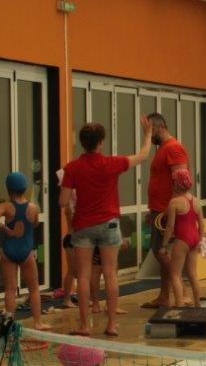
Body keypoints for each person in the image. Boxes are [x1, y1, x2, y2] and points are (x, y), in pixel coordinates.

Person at [58, 117, 152, 336]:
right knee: (110, 274)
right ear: (101, 142)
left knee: (82, 275)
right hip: (109, 225)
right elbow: (143, 156)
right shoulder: (111, 163)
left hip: (83, 226)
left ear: (83, 143)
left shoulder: (72, 168)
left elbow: (63, 202)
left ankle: (84, 325)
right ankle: (111, 324)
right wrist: (147, 135)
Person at [0, 172, 51, 331]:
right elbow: (36, 224)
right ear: (24, 188)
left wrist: (5, 228)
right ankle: (38, 322)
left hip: (9, 251)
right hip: (26, 252)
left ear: (9, 189)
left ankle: (9, 324)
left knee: (10, 288)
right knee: (34, 288)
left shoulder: (6, 206)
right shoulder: (33, 207)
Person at [143, 113, 192, 310]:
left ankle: (183, 292)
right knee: (159, 251)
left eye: (149, 131)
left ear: (159, 127)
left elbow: (181, 181)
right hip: (159, 209)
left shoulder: (173, 148)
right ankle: (164, 296)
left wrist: (171, 209)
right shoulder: (163, 148)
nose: (147, 136)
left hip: (167, 211)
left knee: (160, 251)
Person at [162, 168, 205, 309]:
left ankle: (179, 306)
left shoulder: (174, 202)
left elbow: (170, 227)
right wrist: (200, 241)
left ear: (176, 184)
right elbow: (202, 224)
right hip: (195, 239)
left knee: (175, 274)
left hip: (182, 240)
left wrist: (163, 245)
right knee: (193, 274)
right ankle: (198, 304)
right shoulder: (197, 201)